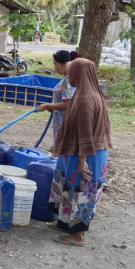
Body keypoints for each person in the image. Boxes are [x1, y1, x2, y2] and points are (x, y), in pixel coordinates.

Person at [50, 58, 111, 247]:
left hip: (86, 154)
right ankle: (65, 224)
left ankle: (78, 236)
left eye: (71, 73)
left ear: (79, 74)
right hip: (84, 152)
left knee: (81, 190)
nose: (68, 77)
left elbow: (86, 133)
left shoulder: (85, 99)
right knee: (71, 188)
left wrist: (82, 161)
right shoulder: (92, 94)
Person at [37, 50, 78, 154]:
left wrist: (48, 105)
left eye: (56, 64)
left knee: (62, 152)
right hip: (60, 121)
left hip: (66, 123)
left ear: (65, 63)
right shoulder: (65, 79)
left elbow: (69, 103)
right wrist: (51, 107)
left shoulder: (68, 80)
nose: (55, 67)